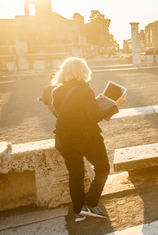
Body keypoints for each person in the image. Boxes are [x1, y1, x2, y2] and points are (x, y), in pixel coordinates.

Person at [51, 57, 126, 220]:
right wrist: (116, 106)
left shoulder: (56, 91)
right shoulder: (85, 90)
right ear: (83, 71)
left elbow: (64, 114)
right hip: (86, 138)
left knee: (75, 174)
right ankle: (91, 203)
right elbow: (93, 117)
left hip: (64, 138)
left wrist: (94, 101)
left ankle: (79, 209)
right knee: (103, 169)